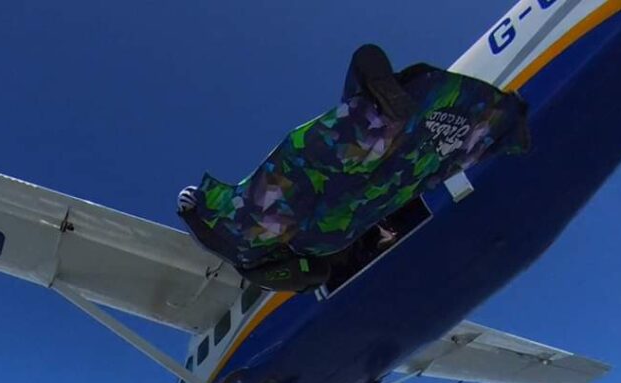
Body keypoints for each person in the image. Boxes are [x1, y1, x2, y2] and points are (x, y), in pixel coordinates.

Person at [178, 44, 530, 292]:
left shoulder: (279, 247)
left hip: (332, 230)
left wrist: (196, 214)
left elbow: (313, 274)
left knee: (405, 171)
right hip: (309, 225)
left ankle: (499, 129)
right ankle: (374, 103)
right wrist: (194, 211)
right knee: (329, 155)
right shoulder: (250, 235)